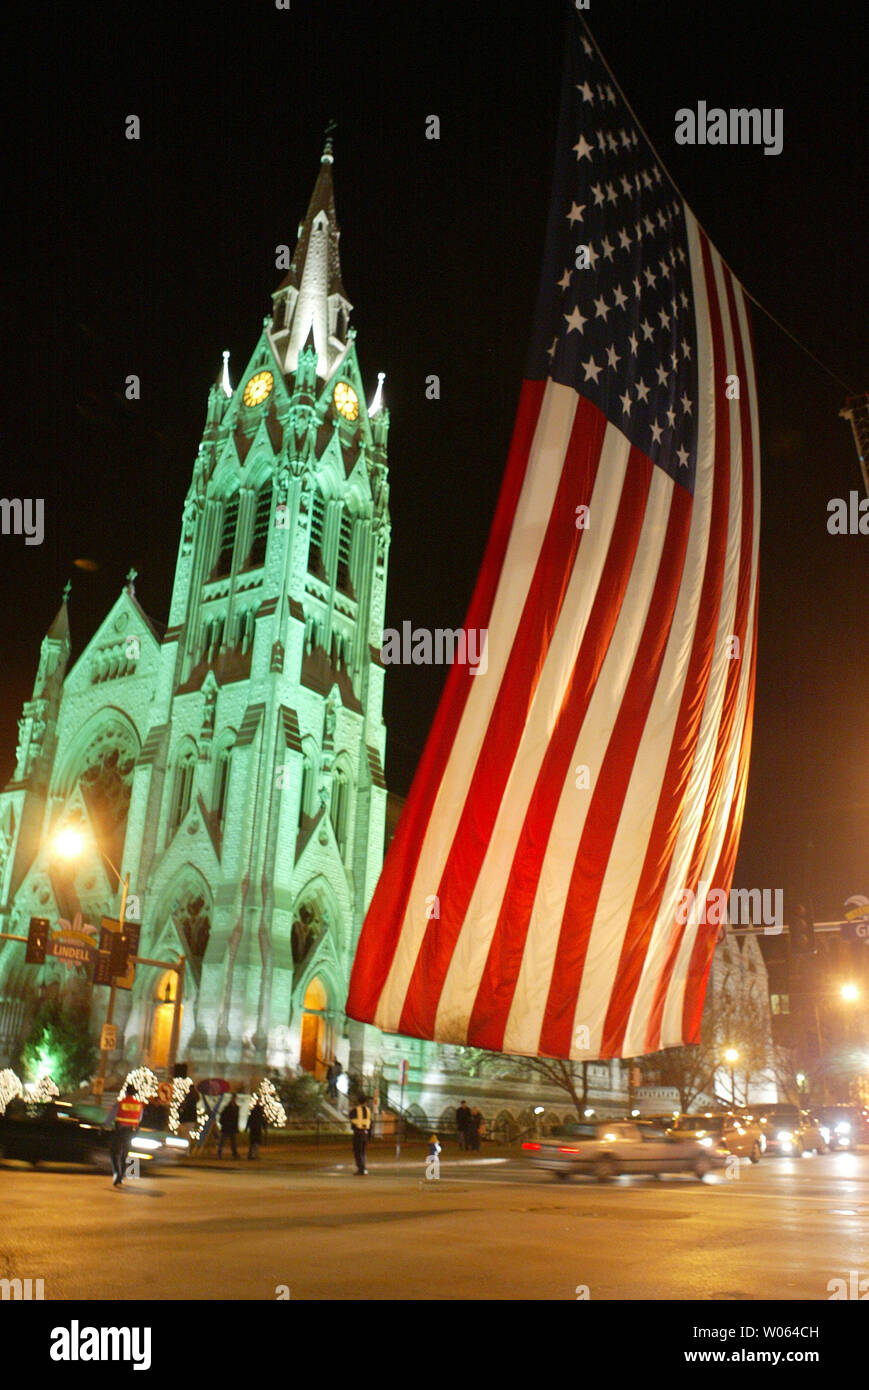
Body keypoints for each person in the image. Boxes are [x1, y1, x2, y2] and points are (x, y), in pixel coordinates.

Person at [111, 1091, 144, 1187]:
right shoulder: (139, 1104)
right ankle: (121, 1176)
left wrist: (105, 1124)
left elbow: (111, 1116)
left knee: (114, 1152)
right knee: (125, 1154)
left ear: (126, 1093)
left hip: (120, 1131)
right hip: (131, 1132)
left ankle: (117, 1173)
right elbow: (139, 1118)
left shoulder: (120, 1103)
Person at [349, 1093, 372, 1175]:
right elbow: (370, 1123)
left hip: (358, 1133)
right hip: (365, 1133)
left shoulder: (354, 1110)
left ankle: (361, 1168)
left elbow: (351, 1120)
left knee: (357, 1151)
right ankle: (363, 1167)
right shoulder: (368, 1110)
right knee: (363, 1151)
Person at [217, 1092, 239, 1159]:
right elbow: (223, 1116)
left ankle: (234, 1153)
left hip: (231, 1127)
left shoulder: (236, 1107)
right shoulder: (228, 1108)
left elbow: (236, 1119)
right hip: (227, 1126)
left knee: (232, 1141)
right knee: (223, 1140)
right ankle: (220, 1153)